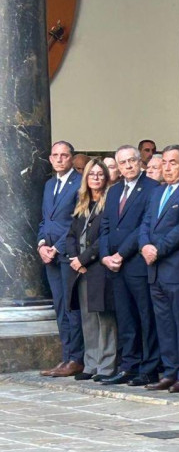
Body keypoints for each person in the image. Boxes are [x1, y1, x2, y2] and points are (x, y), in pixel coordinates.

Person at [138, 145, 179, 393]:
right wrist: (144, 246)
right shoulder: (157, 192)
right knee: (163, 323)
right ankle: (170, 370)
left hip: (174, 267)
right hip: (155, 270)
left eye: (173, 163)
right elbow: (146, 223)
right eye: (164, 163)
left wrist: (157, 249)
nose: (167, 167)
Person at [98, 145, 159, 386]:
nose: (129, 165)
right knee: (125, 318)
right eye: (123, 162)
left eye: (132, 160)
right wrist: (105, 255)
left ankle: (150, 367)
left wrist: (121, 254)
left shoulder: (152, 188)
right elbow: (105, 226)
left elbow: (144, 225)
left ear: (140, 162)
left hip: (136, 263)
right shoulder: (113, 192)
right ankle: (129, 366)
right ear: (118, 167)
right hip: (114, 266)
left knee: (146, 316)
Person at [63, 158, 118, 382]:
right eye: (91, 174)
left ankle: (106, 365)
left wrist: (84, 259)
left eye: (99, 174)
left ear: (106, 178)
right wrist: (74, 258)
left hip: (97, 268)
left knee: (103, 318)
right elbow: (71, 235)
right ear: (85, 178)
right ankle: (91, 362)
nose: (95, 178)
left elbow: (105, 237)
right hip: (80, 269)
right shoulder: (81, 203)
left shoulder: (110, 202)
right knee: (87, 318)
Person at [39, 140, 84, 378]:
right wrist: (41, 245)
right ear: (50, 159)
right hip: (50, 256)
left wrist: (55, 247)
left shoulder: (79, 183)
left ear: (72, 158)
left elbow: (76, 222)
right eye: (55, 155)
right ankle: (66, 356)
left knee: (71, 306)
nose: (59, 159)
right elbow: (45, 220)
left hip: (68, 254)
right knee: (59, 306)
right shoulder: (49, 185)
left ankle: (76, 358)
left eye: (64, 156)